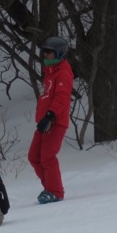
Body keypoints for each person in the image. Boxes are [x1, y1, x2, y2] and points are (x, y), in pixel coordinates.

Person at [28, 36, 74, 204]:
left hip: (54, 122)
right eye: (44, 51)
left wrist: (50, 115)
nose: (45, 54)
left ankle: (55, 191)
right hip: (44, 123)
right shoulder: (50, 73)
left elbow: (62, 97)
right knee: (34, 156)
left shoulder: (63, 73)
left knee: (47, 156)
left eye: (49, 52)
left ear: (59, 54)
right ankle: (49, 187)